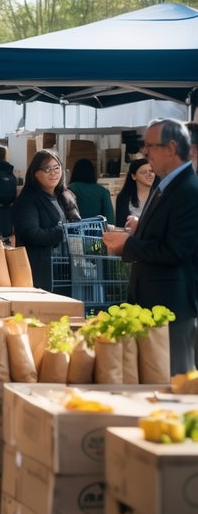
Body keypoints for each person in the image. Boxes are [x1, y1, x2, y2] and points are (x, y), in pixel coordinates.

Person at [103, 119, 198, 374]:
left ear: (171, 148)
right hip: (153, 301)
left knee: (172, 380)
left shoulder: (188, 190)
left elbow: (176, 250)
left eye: (150, 146)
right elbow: (164, 234)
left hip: (171, 307)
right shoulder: (167, 184)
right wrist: (139, 230)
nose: (145, 153)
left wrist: (128, 244)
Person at [12, 149, 80, 290]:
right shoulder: (27, 201)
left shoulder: (66, 196)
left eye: (56, 168)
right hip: (40, 273)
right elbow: (32, 234)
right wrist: (64, 230)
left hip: (66, 270)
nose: (53, 172)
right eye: (47, 169)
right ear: (35, 173)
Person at [115, 158, 156, 228]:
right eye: (143, 172)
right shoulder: (123, 198)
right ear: (134, 176)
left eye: (151, 171)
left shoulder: (160, 196)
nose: (149, 175)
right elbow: (120, 227)